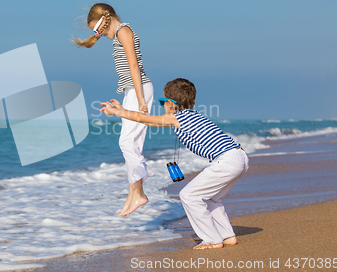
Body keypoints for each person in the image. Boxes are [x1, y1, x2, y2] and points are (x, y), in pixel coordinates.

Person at [100, 78, 249, 250]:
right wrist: (123, 110)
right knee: (211, 198)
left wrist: (118, 113)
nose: (162, 105)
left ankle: (212, 239)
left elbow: (145, 118)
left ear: (170, 104)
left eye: (162, 101)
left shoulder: (179, 117)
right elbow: (147, 121)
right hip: (240, 157)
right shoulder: (194, 116)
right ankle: (227, 236)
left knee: (188, 195)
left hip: (227, 161)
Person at [72, 3, 154, 217]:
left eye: (95, 29)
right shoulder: (119, 34)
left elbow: (134, 65)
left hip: (140, 90)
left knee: (127, 142)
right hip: (131, 92)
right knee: (130, 143)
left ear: (105, 19)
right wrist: (125, 102)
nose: (97, 34)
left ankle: (138, 194)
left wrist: (140, 99)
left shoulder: (124, 32)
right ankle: (133, 193)